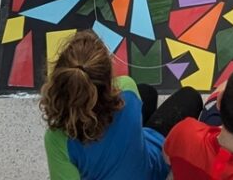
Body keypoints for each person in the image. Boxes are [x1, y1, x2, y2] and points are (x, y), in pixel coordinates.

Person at [41, 30, 203, 180]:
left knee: (147, 92)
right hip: (150, 171)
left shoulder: (56, 140)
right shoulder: (127, 88)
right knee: (186, 96)